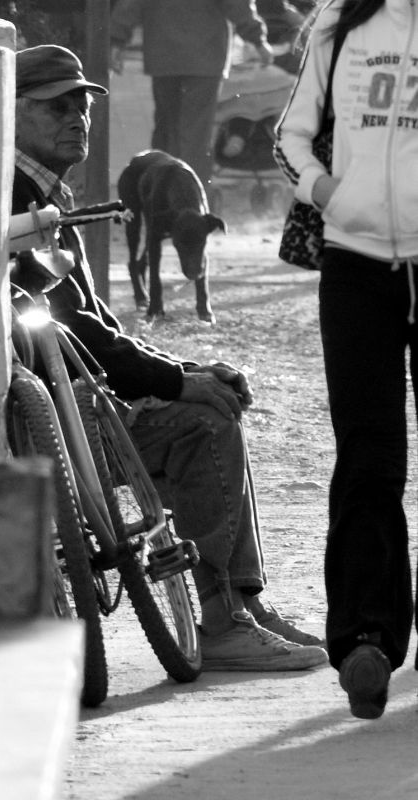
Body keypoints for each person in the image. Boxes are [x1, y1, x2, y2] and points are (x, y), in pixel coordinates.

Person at [12, 43, 328, 672]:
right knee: (203, 421)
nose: (76, 117)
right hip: (50, 419)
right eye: (55, 107)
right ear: (11, 114)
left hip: (72, 399)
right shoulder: (18, 201)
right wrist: (176, 384)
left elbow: (96, 322)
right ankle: (225, 618)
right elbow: (75, 331)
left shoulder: (49, 193)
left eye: (82, 104)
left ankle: (239, 605)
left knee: (212, 396)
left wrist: (185, 371)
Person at [274, 0, 418, 718]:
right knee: (368, 454)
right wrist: (329, 193)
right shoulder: (343, 24)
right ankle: (366, 639)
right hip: (356, 265)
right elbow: (291, 136)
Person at [109, 0, 274, 194]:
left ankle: (161, 193)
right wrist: (257, 39)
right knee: (195, 135)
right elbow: (236, 5)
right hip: (205, 57)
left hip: (163, 56)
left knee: (166, 130)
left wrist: (116, 39)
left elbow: (131, 4)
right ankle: (189, 198)